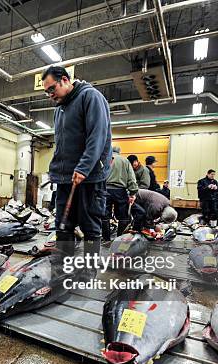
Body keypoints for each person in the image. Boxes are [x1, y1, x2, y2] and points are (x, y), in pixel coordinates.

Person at [42, 65, 111, 265]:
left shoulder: (90, 97)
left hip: (89, 178)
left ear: (65, 79)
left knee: (90, 227)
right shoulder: (60, 109)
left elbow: (97, 136)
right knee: (63, 226)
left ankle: (89, 273)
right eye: (46, 92)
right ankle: (63, 271)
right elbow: (61, 145)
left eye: (51, 89)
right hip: (65, 178)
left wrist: (84, 167)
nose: (50, 95)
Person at [102, 145, 137, 241]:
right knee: (123, 216)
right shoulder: (125, 160)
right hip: (120, 191)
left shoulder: (105, 158)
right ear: (119, 152)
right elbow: (131, 178)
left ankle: (106, 239)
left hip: (105, 190)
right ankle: (119, 239)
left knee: (104, 216)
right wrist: (133, 192)